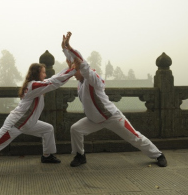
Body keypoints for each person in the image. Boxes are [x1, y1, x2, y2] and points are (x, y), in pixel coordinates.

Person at [0, 39, 76, 177]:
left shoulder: (36, 85)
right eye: (43, 73)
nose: (45, 75)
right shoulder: (34, 86)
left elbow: (53, 79)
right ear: (37, 74)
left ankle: (47, 156)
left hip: (27, 123)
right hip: (16, 124)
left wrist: (69, 69)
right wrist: (74, 70)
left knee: (47, 129)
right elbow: (54, 83)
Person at [62, 32, 167, 168]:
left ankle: (158, 155)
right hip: (94, 119)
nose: (72, 74)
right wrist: (64, 49)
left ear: (81, 70)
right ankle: (80, 156)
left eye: (74, 71)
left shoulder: (92, 78)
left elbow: (82, 64)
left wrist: (70, 48)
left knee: (134, 137)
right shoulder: (80, 82)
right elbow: (73, 62)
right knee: (75, 129)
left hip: (111, 117)